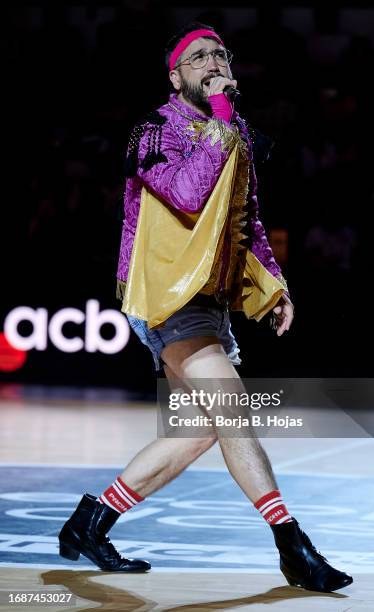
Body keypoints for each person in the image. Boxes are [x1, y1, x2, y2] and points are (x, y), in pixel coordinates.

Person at [59, 23, 353, 592]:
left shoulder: (231, 129)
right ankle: (293, 546)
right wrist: (221, 112)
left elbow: (245, 219)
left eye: (220, 54)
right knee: (234, 412)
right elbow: (189, 193)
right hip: (165, 293)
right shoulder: (155, 131)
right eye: (198, 58)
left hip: (209, 298)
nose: (212, 62)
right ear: (175, 76)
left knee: (198, 431)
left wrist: (275, 288)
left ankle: (90, 524)